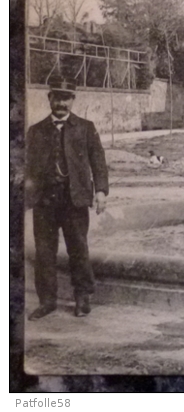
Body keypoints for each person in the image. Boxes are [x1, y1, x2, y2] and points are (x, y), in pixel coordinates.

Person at [25, 76, 109, 320]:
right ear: (49, 97)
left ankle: (82, 298)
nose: (61, 103)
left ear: (73, 100)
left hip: (75, 200)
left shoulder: (85, 128)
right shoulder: (35, 131)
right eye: (56, 97)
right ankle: (47, 301)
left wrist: (101, 191)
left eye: (66, 98)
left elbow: (98, 162)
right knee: (44, 252)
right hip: (45, 202)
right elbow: (25, 168)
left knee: (78, 249)